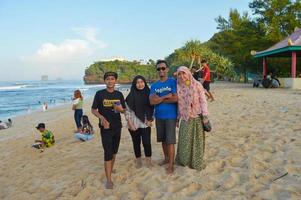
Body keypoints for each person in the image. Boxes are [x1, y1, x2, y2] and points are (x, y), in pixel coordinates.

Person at [91, 71, 126, 189]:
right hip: (106, 128)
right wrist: (101, 117)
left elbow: (124, 110)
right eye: (108, 79)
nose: (110, 81)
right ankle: (109, 180)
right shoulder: (99, 94)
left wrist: (119, 109)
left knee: (114, 151)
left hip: (117, 126)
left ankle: (111, 168)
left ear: (115, 81)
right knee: (108, 152)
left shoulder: (119, 94)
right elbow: (93, 109)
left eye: (112, 79)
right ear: (104, 81)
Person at [176, 66, 209, 170]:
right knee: (184, 142)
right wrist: (178, 118)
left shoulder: (197, 85)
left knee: (196, 142)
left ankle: (196, 162)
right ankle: (184, 161)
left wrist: (205, 116)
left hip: (197, 118)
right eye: (179, 74)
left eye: (184, 73)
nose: (182, 76)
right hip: (185, 119)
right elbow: (179, 105)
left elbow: (203, 101)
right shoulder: (178, 87)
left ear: (188, 73)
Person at [149, 60, 178, 174]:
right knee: (163, 140)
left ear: (167, 69)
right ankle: (166, 159)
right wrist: (166, 96)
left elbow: (176, 98)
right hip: (159, 116)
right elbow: (152, 102)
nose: (161, 70)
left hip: (171, 116)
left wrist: (159, 99)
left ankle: (171, 165)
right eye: (158, 69)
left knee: (170, 141)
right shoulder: (154, 85)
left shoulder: (172, 82)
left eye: (163, 68)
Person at [126, 75, 154, 168]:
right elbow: (127, 111)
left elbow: (153, 108)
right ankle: (138, 161)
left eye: (142, 82)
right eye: (137, 82)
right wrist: (130, 123)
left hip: (146, 122)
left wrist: (150, 119)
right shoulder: (131, 95)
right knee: (136, 142)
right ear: (134, 84)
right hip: (133, 122)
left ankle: (148, 161)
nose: (140, 84)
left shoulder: (150, 94)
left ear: (144, 83)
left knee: (147, 142)